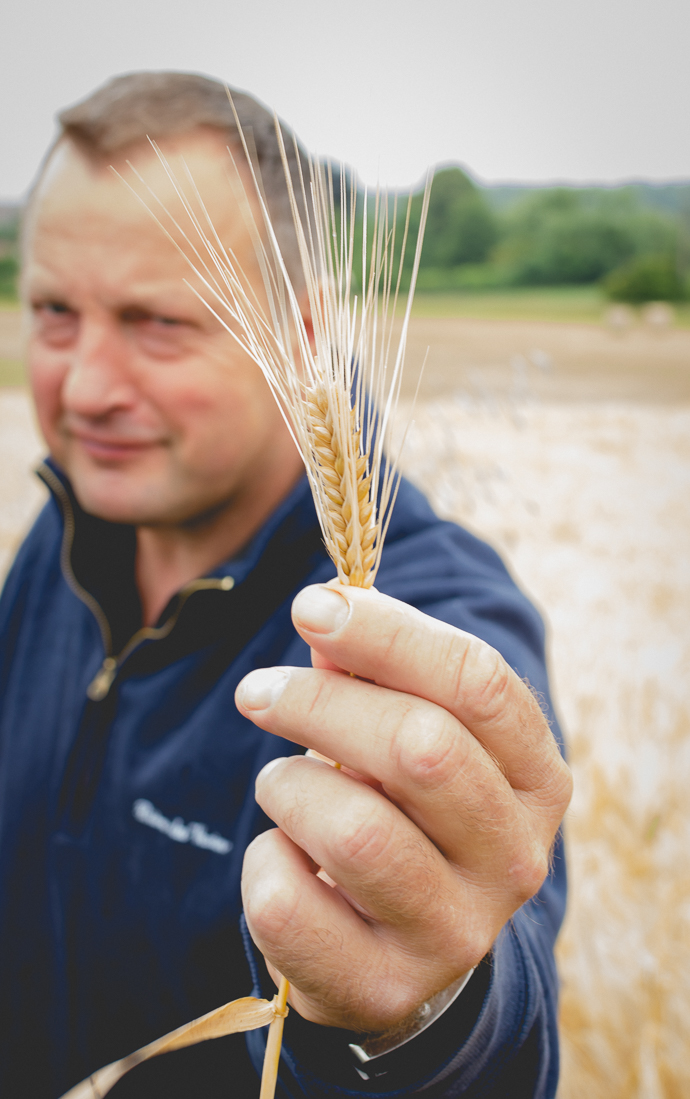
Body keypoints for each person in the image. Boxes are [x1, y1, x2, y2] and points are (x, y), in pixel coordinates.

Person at [0, 72, 572, 1099]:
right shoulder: (65, 534)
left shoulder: (423, 618)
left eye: (157, 321)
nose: (83, 388)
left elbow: (491, 1014)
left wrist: (429, 1016)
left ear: (305, 329)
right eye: (51, 309)